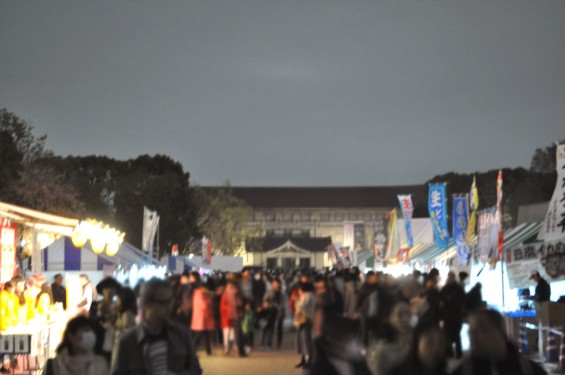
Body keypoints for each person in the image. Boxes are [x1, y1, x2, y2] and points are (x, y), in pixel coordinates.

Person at [452, 309, 547, 375]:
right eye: (471, 331)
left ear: (500, 331)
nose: (473, 336)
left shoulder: (528, 370)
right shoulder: (463, 371)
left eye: (481, 329)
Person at [43, 315, 108, 375]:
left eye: (90, 331)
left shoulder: (100, 363)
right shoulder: (54, 365)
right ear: (71, 336)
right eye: (85, 330)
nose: (89, 336)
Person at [366, 299, 413, 375]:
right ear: (390, 318)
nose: (406, 319)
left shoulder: (417, 337)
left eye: (408, 314)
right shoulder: (382, 350)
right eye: (400, 315)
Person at [439, 271, 466, 358]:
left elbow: (458, 301)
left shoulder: (458, 289)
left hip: (455, 315)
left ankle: (457, 352)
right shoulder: (445, 288)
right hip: (448, 315)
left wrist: (447, 300)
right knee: (448, 334)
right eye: (448, 277)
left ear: (453, 278)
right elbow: (442, 298)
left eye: (450, 278)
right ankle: (450, 352)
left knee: (455, 334)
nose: (449, 279)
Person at [110, 287, 138, 369]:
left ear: (124, 300)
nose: (115, 302)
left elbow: (127, 335)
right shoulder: (121, 314)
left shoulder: (127, 315)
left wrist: (112, 328)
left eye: (117, 299)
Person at [294, 281, 315, 369]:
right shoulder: (310, 295)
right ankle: (304, 360)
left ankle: (308, 361)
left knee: (305, 341)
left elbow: (301, 306)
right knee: (303, 341)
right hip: (305, 320)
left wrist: (297, 301)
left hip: (305, 320)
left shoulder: (307, 295)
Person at [263, 277, 287, 349]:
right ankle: (268, 343)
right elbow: (265, 300)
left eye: (276, 283)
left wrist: (282, 309)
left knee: (279, 328)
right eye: (273, 283)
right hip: (271, 312)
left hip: (280, 311)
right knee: (270, 328)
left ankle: (278, 343)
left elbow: (284, 303)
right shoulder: (269, 292)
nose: (275, 284)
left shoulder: (282, 293)